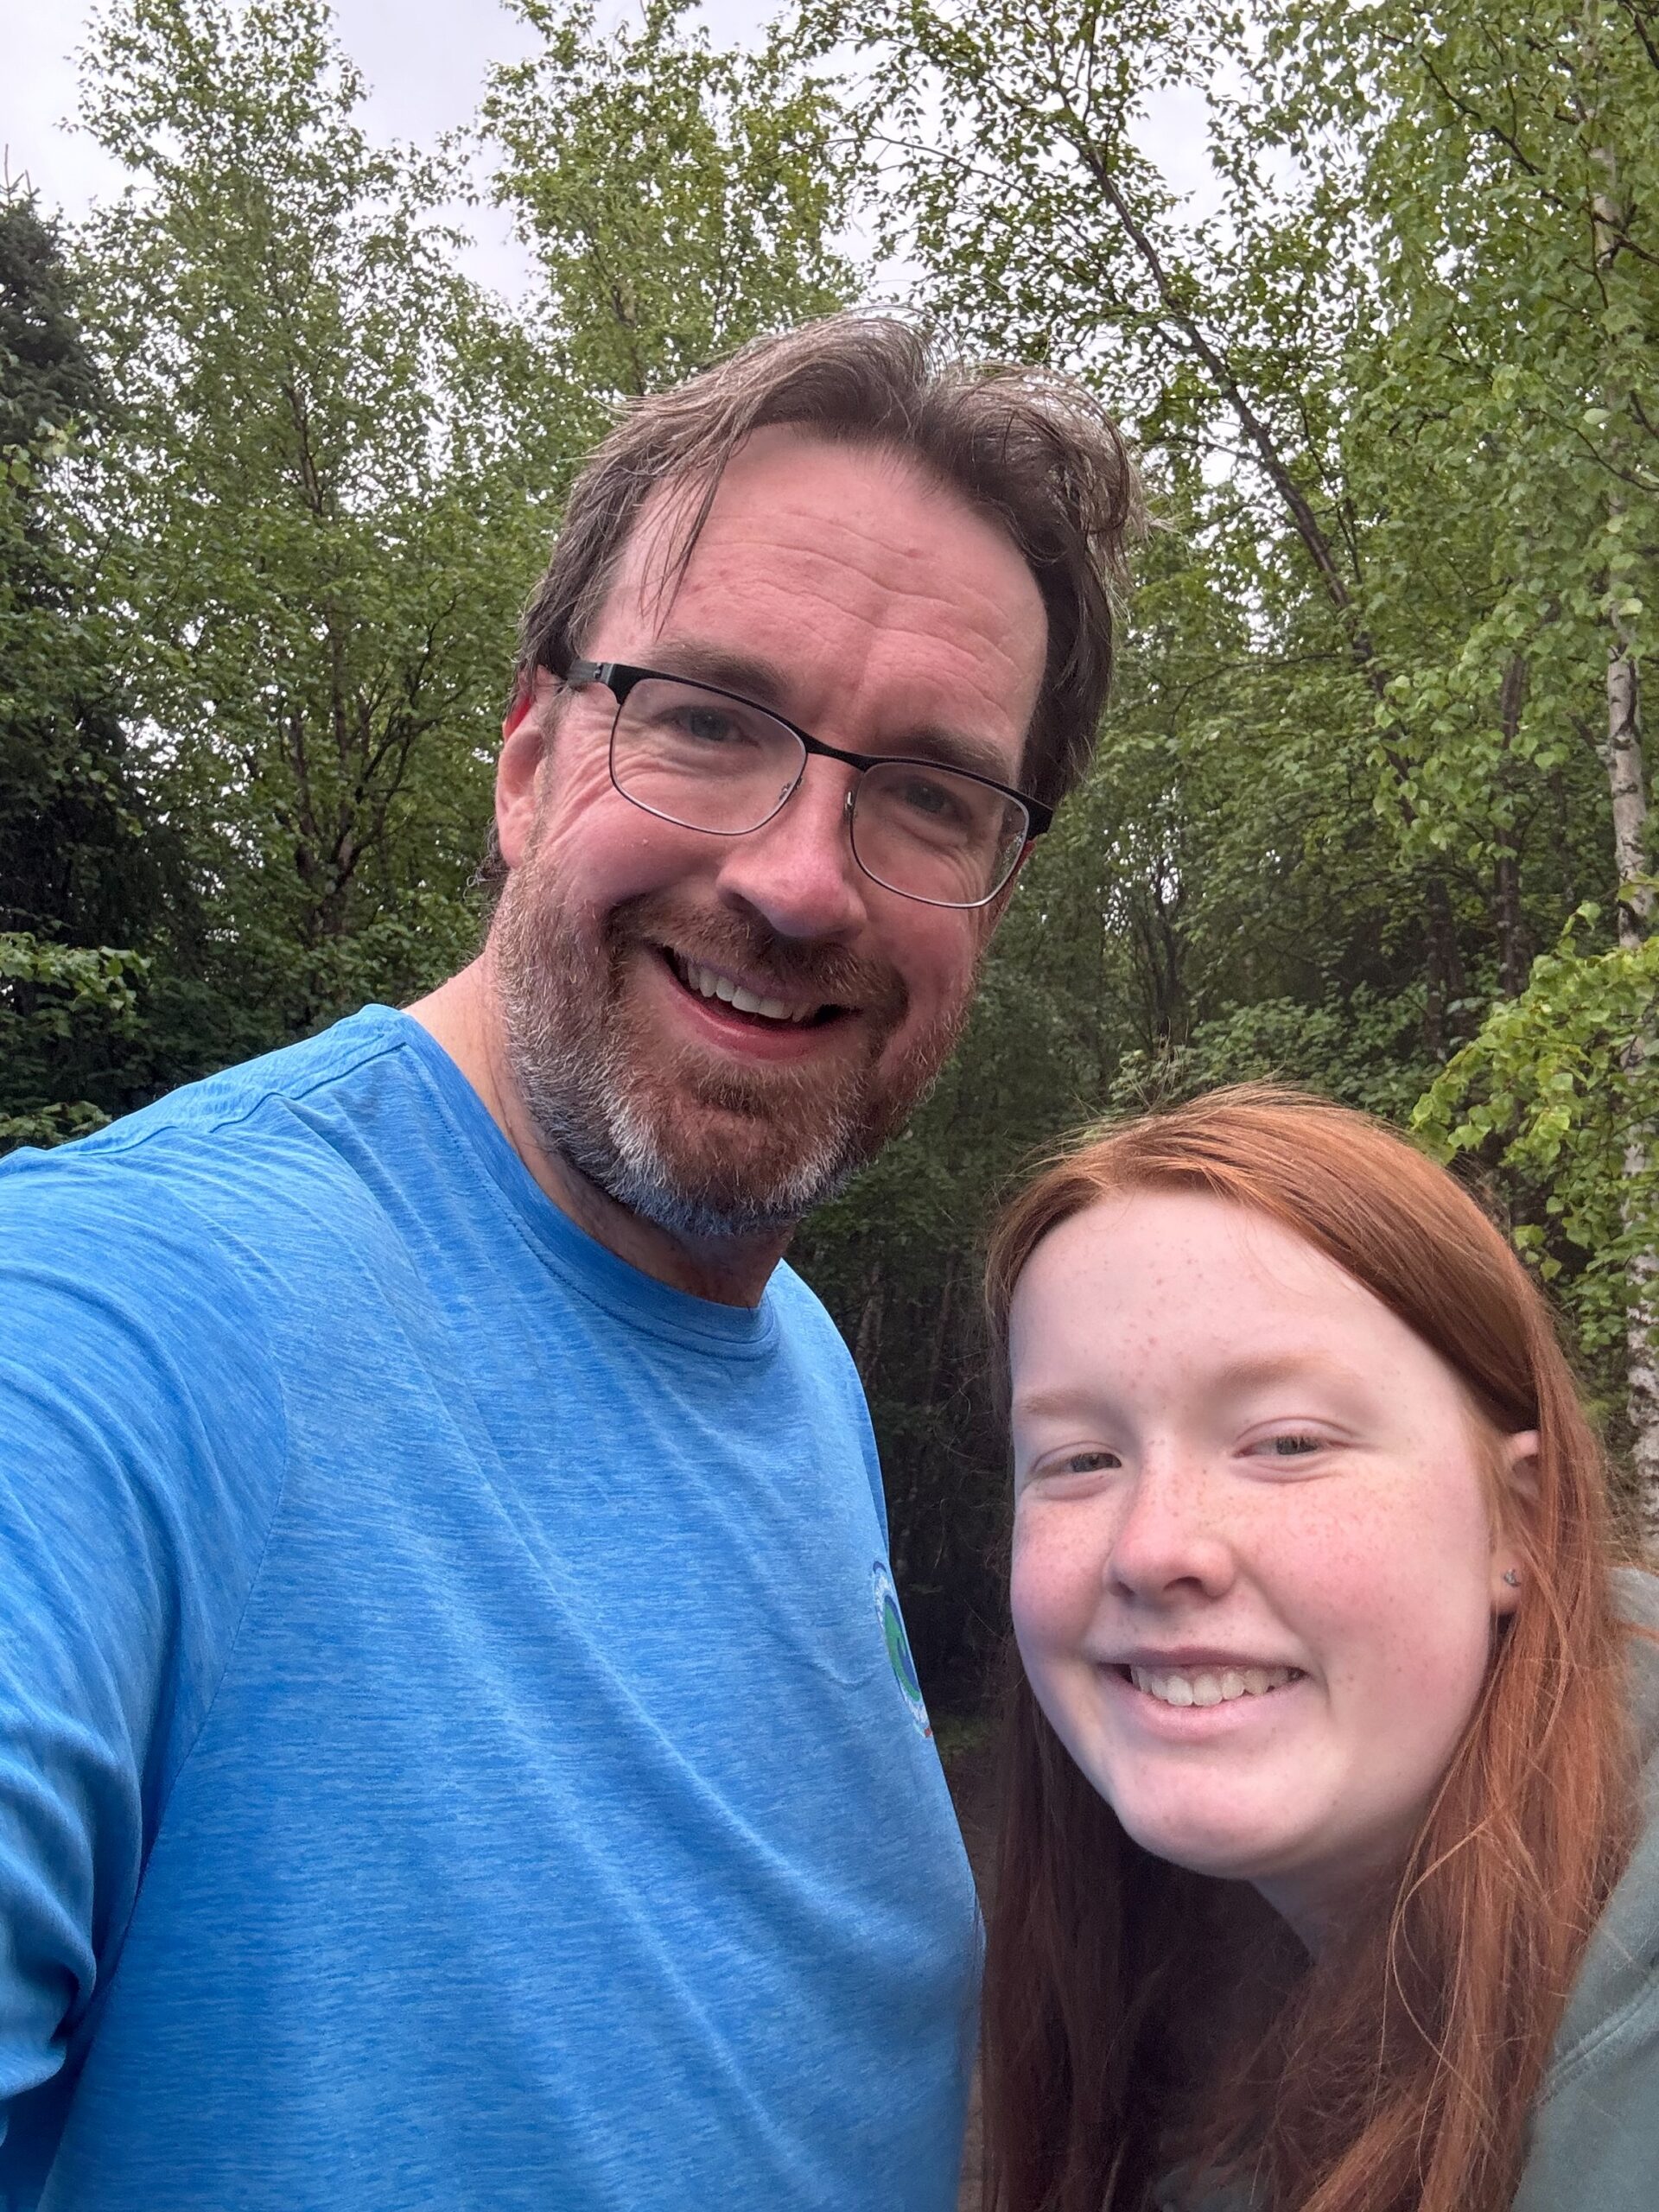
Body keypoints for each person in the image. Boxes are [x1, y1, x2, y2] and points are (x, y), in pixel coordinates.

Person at [0, 315, 1141, 2210]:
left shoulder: (797, 1360)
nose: (800, 879)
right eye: (706, 719)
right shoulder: (109, 1325)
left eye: (929, 790)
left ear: (995, 890)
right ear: (530, 759)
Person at [978, 1084, 1659, 2212]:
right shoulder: (1180, 1968)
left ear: (1521, 1523)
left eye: (1287, 1442)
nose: (1153, 1548)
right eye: (1079, 1460)